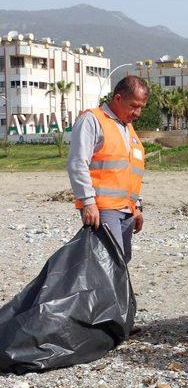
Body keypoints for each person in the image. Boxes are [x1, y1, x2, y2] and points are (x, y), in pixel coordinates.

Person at [67, 75, 148, 263]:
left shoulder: (127, 128)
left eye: (141, 108)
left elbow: (129, 171)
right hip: (103, 208)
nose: (137, 113)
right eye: (134, 106)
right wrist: (88, 203)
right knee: (109, 261)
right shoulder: (92, 120)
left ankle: (114, 294)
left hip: (126, 208)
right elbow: (77, 163)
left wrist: (136, 207)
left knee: (121, 260)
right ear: (118, 98)